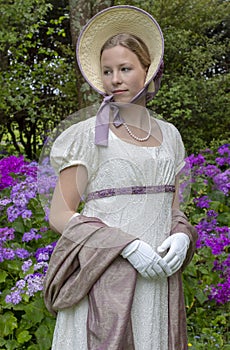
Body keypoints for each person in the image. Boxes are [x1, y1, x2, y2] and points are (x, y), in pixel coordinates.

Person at [43, 5, 198, 350]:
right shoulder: (87, 135)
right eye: (107, 71)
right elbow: (60, 214)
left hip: (157, 279)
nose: (115, 79)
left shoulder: (171, 135)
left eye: (125, 68)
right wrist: (126, 246)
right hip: (107, 276)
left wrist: (181, 235)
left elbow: (174, 206)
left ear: (148, 69)